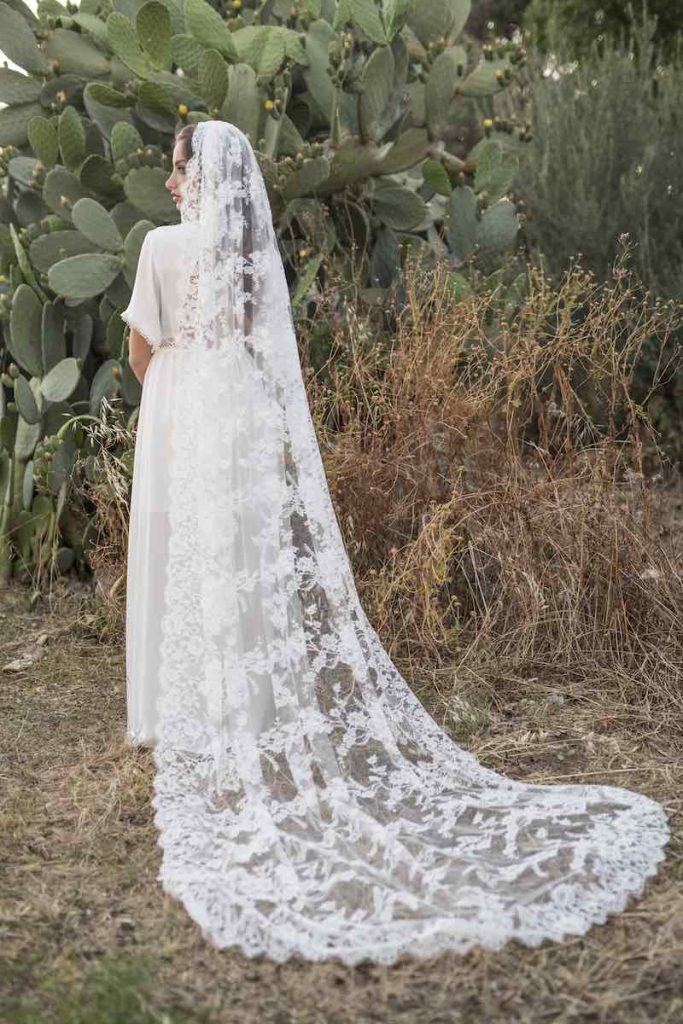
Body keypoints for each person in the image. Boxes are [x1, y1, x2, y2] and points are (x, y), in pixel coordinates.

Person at [121, 120, 670, 966]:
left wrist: (170, 387)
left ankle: (179, 707)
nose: (168, 183)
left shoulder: (159, 245)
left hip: (178, 403)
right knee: (239, 559)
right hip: (235, 409)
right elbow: (263, 347)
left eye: (175, 167)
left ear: (198, 177)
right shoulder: (245, 256)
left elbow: (139, 351)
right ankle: (249, 710)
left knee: (180, 550)